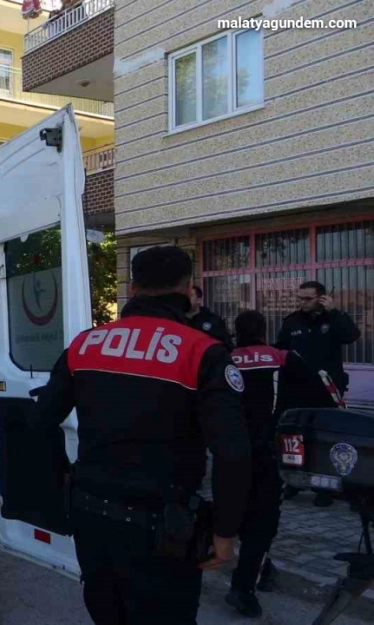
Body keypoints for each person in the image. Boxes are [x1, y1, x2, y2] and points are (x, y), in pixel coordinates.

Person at [32, 245, 251, 624]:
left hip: (91, 519)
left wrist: (62, 479)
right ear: (187, 289)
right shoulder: (204, 352)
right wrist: (225, 530)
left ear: (132, 288)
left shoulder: (85, 345)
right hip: (164, 532)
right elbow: (232, 452)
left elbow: (38, 424)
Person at [225, 310, 345, 617]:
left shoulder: (223, 358)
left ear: (236, 332)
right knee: (263, 519)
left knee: (236, 511)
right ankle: (243, 587)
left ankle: (259, 567)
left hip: (228, 451)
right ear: (264, 332)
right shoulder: (283, 358)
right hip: (269, 451)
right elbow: (326, 391)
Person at [275, 280, 360, 397]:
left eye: (308, 299)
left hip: (327, 384)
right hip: (298, 385)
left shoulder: (333, 318)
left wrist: (333, 312)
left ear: (322, 298)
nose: (303, 302)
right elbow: (282, 347)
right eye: (301, 298)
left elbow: (351, 336)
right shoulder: (292, 321)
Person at [187, 285, 233, 349]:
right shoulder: (176, 319)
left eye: (190, 295)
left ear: (199, 300)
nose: (186, 298)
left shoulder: (213, 320)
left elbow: (227, 345)